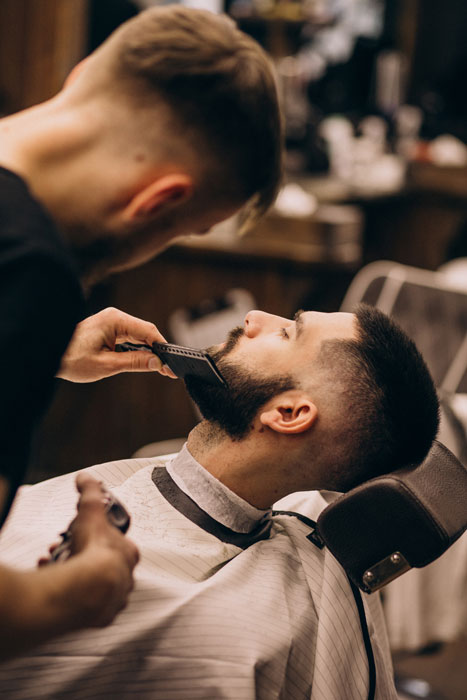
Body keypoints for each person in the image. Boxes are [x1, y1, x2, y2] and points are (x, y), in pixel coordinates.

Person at [0, 5, 282, 658]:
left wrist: (35, 352)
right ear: (157, 202)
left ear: (80, 76)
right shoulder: (29, 272)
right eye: (182, 231)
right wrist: (84, 589)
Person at [0, 305, 439, 697]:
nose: (253, 317)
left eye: (287, 332)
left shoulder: (203, 621)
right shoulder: (307, 521)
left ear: (288, 413)